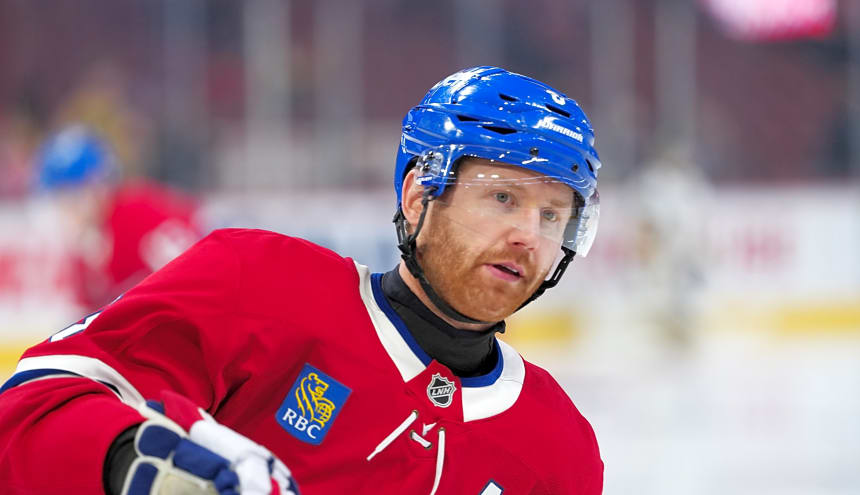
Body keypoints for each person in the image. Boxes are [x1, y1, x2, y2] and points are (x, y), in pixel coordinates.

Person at [0, 66, 604, 494]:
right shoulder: (257, 283)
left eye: (553, 215)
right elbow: (31, 408)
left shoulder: (561, 450)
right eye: (503, 197)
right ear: (420, 196)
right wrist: (129, 460)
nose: (531, 234)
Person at [32, 125, 203, 311]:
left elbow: (199, 282)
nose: (64, 209)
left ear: (97, 187)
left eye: (69, 195)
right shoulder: (88, 248)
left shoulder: (142, 216)